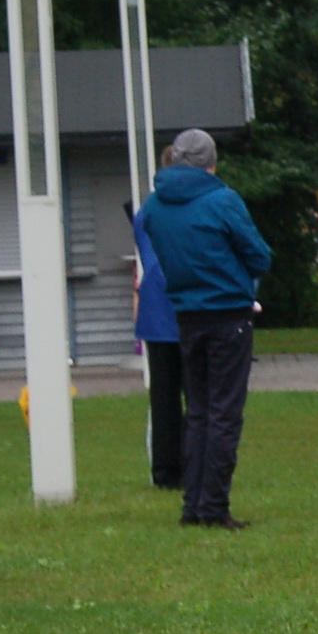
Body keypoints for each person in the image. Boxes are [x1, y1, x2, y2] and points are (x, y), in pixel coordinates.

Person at [141, 128, 272, 530]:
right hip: (228, 313)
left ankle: (192, 505)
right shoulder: (221, 199)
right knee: (224, 413)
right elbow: (259, 255)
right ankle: (214, 506)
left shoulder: (154, 206)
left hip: (186, 314)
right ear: (211, 162)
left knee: (196, 411)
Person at [131, 173, 183, 489]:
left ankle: (165, 472)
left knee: (163, 398)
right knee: (198, 397)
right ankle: (195, 464)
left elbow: (148, 256)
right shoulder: (197, 209)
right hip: (188, 308)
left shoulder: (148, 211)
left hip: (155, 312)